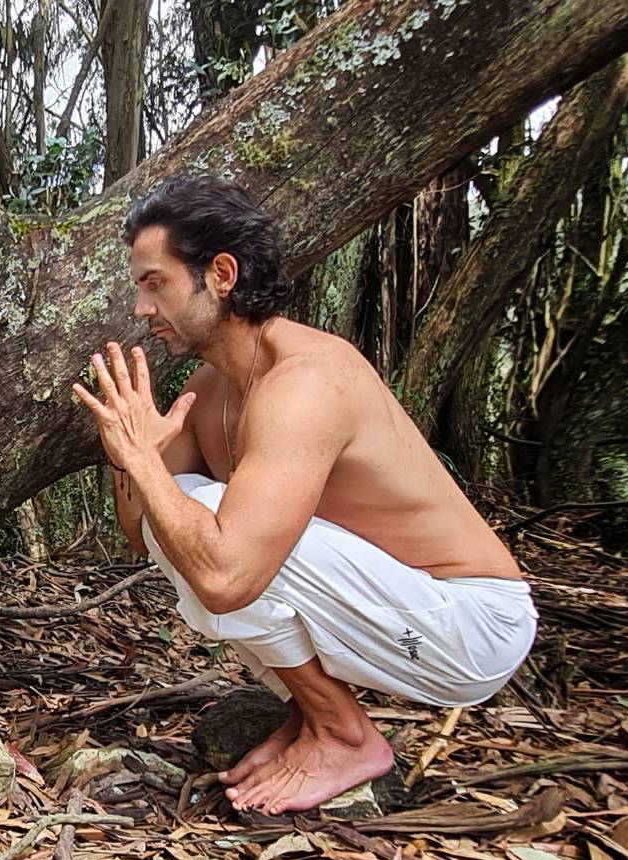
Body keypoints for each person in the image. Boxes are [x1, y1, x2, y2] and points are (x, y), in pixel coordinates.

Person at [72, 174, 538, 817]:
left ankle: (345, 736)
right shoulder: (209, 391)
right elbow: (148, 535)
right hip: (392, 611)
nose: (142, 309)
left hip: (470, 625)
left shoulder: (306, 381)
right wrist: (138, 459)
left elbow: (226, 578)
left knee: (211, 528)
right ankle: (313, 718)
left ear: (222, 274)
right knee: (181, 513)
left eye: (156, 283)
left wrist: (146, 466)